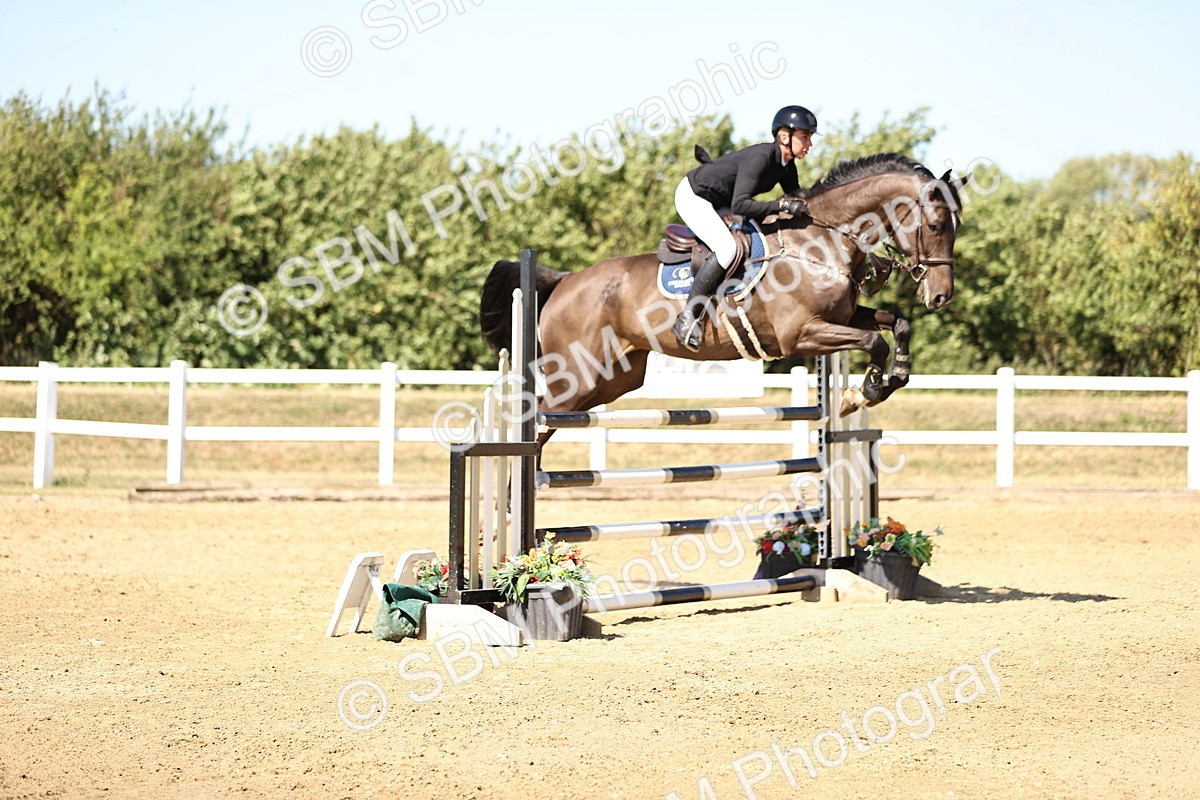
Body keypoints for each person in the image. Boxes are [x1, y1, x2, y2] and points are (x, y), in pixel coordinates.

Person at [670, 105, 817, 352]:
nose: (809, 144)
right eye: (804, 137)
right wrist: (780, 205)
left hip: (719, 202)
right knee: (727, 248)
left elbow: (798, 198)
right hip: (694, 196)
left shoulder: (786, 165)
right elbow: (741, 204)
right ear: (784, 137)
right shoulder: (761, 157)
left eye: (809, 138)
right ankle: (687, 318)